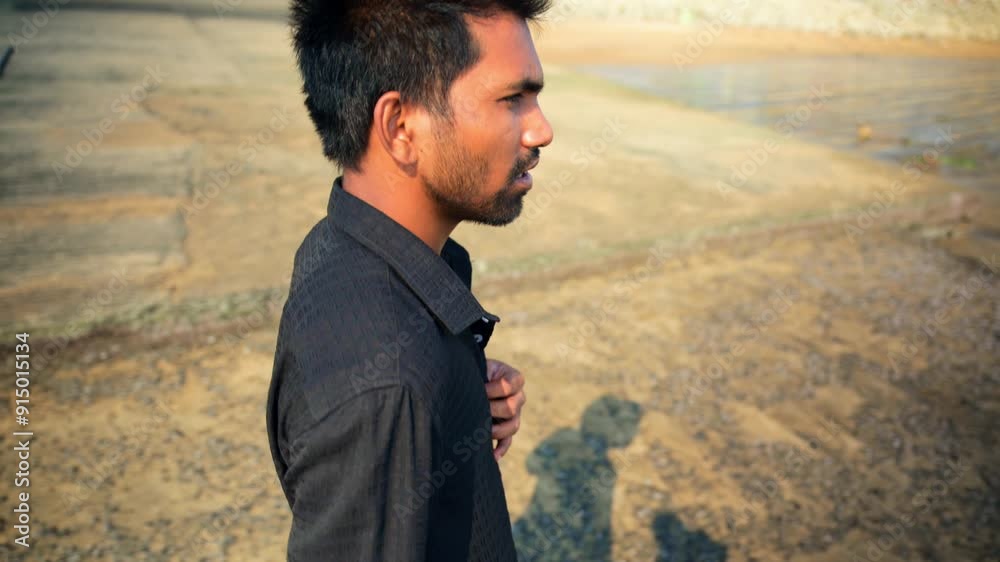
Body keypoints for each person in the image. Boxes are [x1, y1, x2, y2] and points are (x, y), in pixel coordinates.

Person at [265, 1, 555, 560]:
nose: (541, 130)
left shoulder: (347, 240)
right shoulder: (386, 386)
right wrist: (418, 389)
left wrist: (461, 385)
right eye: (512, 99)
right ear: (401, 127)